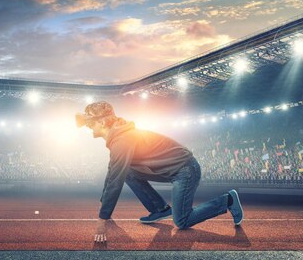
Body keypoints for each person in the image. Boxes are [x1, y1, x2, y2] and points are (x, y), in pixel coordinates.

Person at [75, 101, 243, 243]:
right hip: (171, 169)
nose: (89, 127)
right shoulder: (119, 137)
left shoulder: (122, 141)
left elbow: (115, 181)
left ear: (103, 123)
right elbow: (113, 173)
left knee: (182, 221)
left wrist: (102, 219)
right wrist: (103, 202)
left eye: (91, 123)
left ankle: (227, 200)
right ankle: (160, 209)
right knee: (127, 172)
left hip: (185, 170)